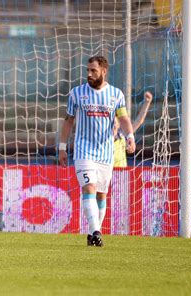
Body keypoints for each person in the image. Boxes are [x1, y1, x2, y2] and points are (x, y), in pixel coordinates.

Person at [58, 56, 136, 247]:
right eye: (88, 70)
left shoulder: (115, 94)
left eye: (93, 70)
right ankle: (96, 231)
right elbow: (68, 121)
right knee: (89, 188)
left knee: (101, 194)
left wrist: (130, 137)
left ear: (103, 71)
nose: (89, 74)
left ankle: (92, 232)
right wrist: (62, 147)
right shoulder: (77, 94)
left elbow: (124, 118)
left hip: (105, 153)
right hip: (83, 151)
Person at [113, 91, 153, 167]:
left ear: (119, 124)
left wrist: (146, 103)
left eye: (115, 123)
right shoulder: (102, 140)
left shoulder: (123, 136)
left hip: (121, 175)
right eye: (111, 123)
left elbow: (139, 121)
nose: (113, 126)